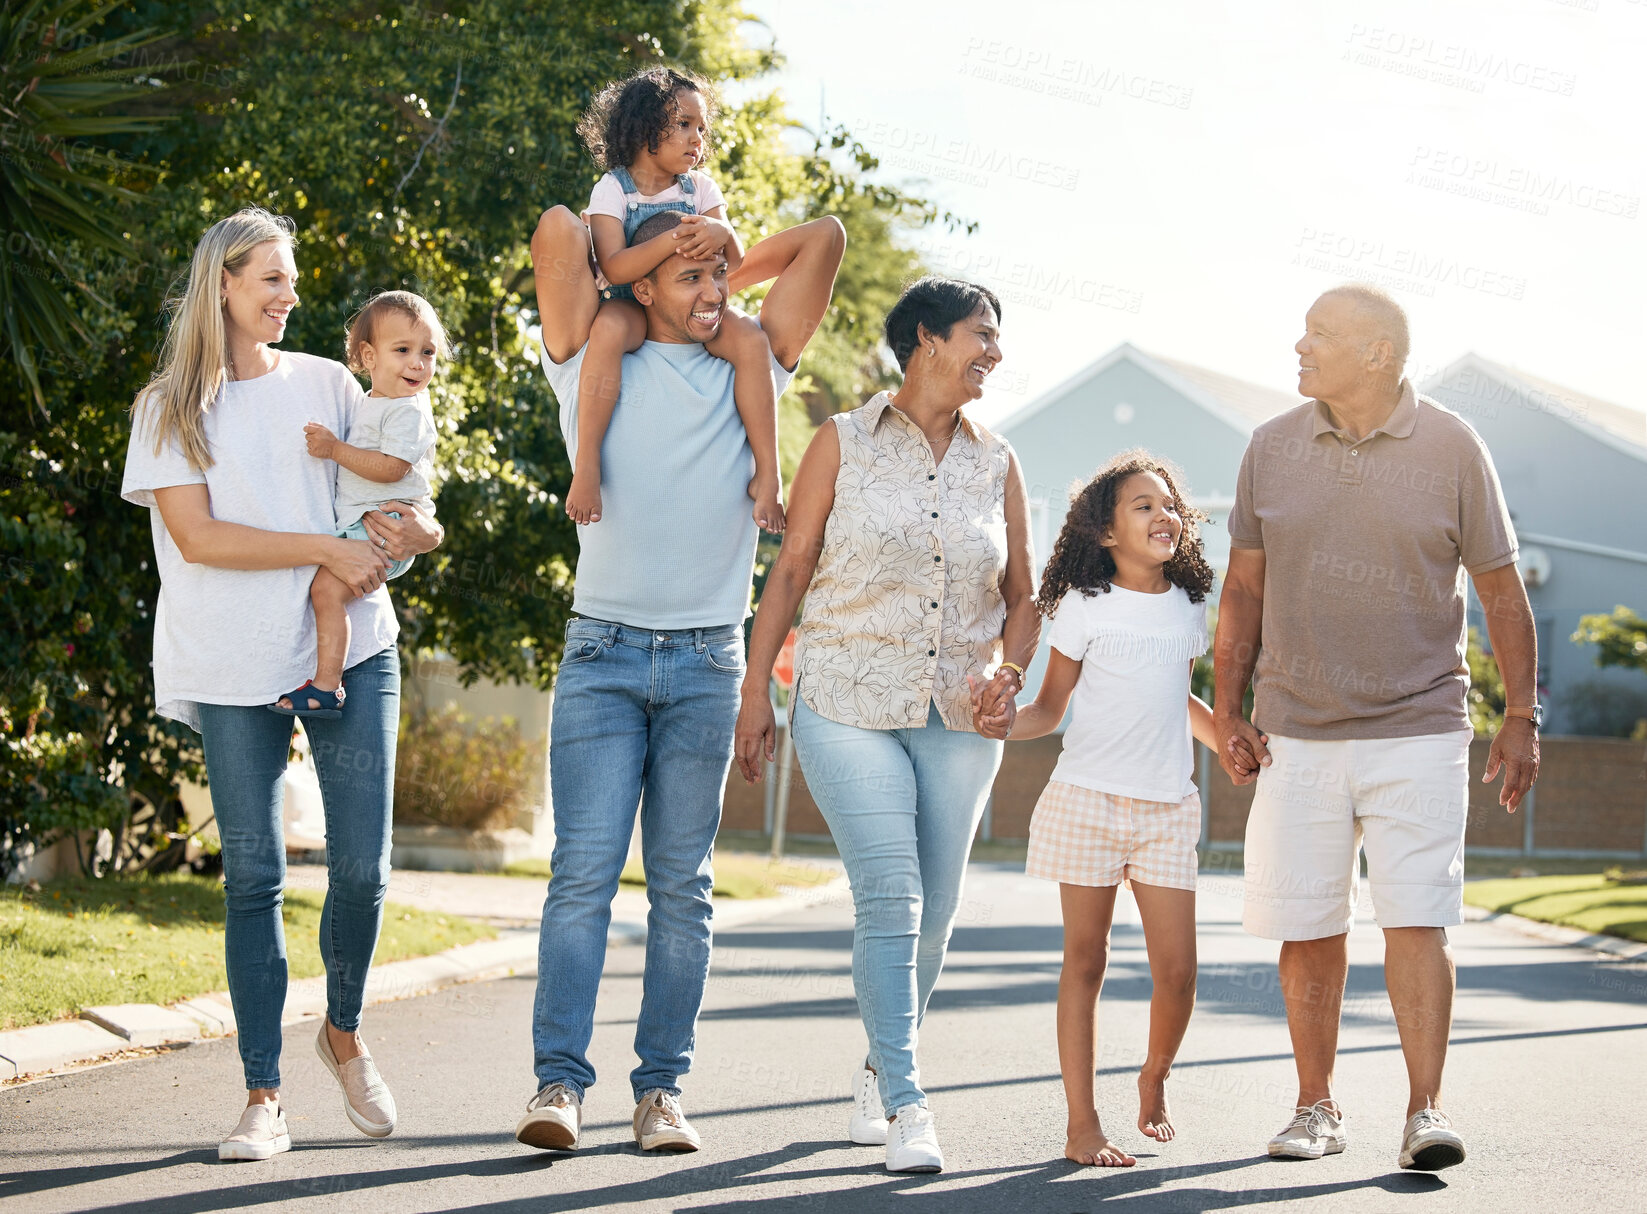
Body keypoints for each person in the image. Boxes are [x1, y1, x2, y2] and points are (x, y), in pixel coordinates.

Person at [516, 195, 844, 1155]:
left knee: (681, 887)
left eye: (718, 278)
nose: (709, 293)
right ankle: (558, 1085)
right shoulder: (589, 358)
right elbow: (556, 233)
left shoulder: (751, 357)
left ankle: (660, 1092)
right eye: (688, 279)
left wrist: (710, 264)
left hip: (706, 659)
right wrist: (646, 262)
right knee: (580, 878)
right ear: (644, 282)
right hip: (602, 656)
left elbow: (820, 241)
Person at [120, 207, 444, 1161]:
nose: (288, 294)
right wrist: (323, 549)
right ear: (223, 282)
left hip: (351, 644)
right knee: (254, 878)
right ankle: (263, 1096)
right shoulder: (168, 408)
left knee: (362, 868)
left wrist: (412, 538)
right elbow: (201, 538)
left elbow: (394, 492)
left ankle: (341, 1028)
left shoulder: (331, 381)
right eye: (270, 278)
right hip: (229, 657)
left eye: (290, 279)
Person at [1213, 284, 1540, 1172]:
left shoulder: (1451, 446)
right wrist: (1229, 708)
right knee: (1308, 927)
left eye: (1321, 332)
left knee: (1416, 919)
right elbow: (1241, 589)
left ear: (1378, 353)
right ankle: (1314, 1108)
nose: (1299, 343)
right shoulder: (1270, 447)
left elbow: (1502, 590)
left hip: (1420, 724)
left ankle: (1423, 1111)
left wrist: (1520, 714)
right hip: (1295, 734)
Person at [735, 277, 1038, 1174]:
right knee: (892, 899)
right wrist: (757, 690)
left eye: (996, 337)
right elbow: (790, 571)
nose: (992, 351)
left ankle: (878, 1062)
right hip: (843, 697)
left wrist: (1006, 669)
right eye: (979, 334)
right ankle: (909, 1102)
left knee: (935, 914)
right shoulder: (841, 441)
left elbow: (1022, 596)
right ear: (923, 339)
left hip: (956, 715)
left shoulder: (999, 459)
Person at [982, 451, 1245, 1168]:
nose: (1164, 516)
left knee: (1178, 972)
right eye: (1142, 506)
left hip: (1167, 808)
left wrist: (1224, 738)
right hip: (1087, 799)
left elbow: (1176, 697)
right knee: (1084, 961)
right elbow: (1048, 710)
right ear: (1104, 531)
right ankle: (1082, 1124)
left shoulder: (1190, 605)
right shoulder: (1081, 607)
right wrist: (995, 724)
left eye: (1169, 506)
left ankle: (1153, 1074)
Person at [566, 66, 791, 532]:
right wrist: (672, 241)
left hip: (691, 308)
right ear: (646, 127)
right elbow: (615, 266)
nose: (697, 139)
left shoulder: (701, 188)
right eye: (684, 124)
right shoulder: (614, 189)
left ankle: (767, 473)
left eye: (701, 128)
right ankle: (587, 463)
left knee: (750, 338)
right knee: (607, 329)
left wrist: (720, 229)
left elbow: (736, 254)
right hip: (634, 303)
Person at [272, 290, 443, 717]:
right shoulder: (376, 403)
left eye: (427, 352)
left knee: (326, 591)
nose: (417, 363)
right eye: (402, 350)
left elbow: (391, 469)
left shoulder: (409, 411)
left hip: (387, 529)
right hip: (369, 525)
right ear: (369, 357)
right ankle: (325, 682)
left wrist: (334, 449)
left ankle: (327, 685)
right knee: (325, 591)